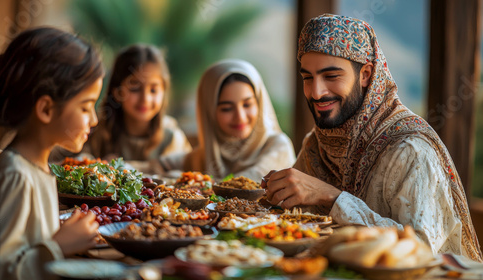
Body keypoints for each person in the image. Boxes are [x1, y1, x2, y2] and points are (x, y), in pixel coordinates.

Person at [263, 14, 483, 261]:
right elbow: (294, 224)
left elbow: (419, 251)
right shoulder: (318, 145)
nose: (316, 92)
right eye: (307, 78)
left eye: (331, 76)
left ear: (366, 74)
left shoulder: (410, 150)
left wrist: (332, 197)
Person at [0, 27, 103, 279]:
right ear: (46, 109)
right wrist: (58, 247)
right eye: (85, 107)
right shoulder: (14, 176)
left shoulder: (37, 168)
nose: (94, 120)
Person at [182, 59, 295, 181]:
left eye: (247, 105)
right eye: (227, 108)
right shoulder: (205, 154)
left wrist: (194, 182)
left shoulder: (278, 146)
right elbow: (162, 164)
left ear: (259, 103)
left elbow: (250, 180)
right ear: (209, 112)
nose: (240, 117)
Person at [84, 44, 191, 171]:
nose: (145, 99)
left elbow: (183, 177)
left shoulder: (171, 137)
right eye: (135, 88)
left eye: (153, 90)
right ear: (117, 92)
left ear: (164, 92)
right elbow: (76, 161)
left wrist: (122, 167)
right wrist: (96, 163)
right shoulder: (98, 132)